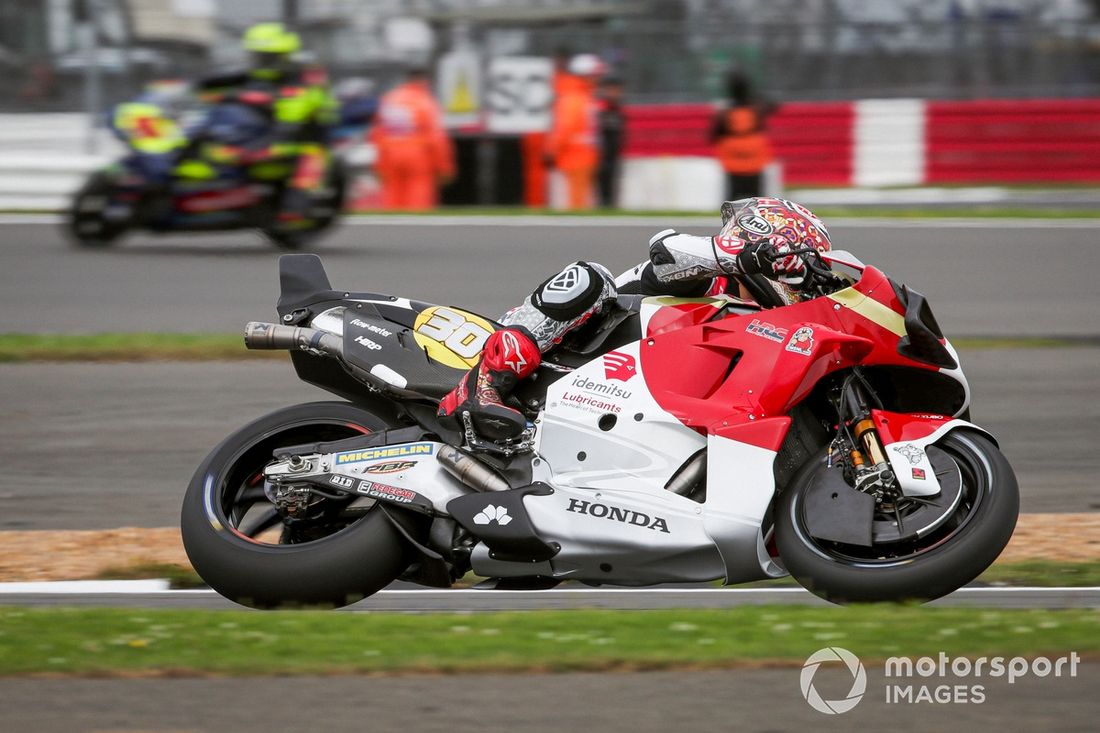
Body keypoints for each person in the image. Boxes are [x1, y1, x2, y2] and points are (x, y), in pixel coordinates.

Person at [438, 197, 832, 440]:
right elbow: (664, 248)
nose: (798, 272)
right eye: (794, 259)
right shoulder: (709, 279)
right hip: (571, 352)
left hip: (627, 408)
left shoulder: (772, 326)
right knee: (590, 276)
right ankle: (485, 381)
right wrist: (746, 254)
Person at [193, 22, 338, 224]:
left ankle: (298, 203)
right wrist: (205, 86)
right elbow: (214, 83)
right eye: (256, 56)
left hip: (305, 134)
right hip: (265, 125)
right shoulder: (256, 73)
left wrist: (251, 97)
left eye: (266, 57)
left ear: (284, 55)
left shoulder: (308, 76)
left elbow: (293, 110)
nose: (260, 62)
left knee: (310, 154)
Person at [371, 67, 456, 210]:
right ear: (424, 81)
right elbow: (437, 138)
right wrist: (445, 167)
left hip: (391, 153)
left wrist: (380, 164)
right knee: (419, 196)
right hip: (419, 154)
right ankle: (416, 230)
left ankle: (390, 229)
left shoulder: (390, 99)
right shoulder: (425, 102)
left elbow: (377, 134)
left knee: (392, 196)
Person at [546, 54, 605, 210]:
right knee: (577, 202)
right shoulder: (575, 97)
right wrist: (552, 150)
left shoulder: (582, 96)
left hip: (580, 155)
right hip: (576, 156)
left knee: (580, 200)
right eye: (594, 75)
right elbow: (565, 127)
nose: (597, 79)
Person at [711, 69, 774, 201]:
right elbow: (774, 106)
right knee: (756, 199)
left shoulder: (725, 113)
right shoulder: (756, 109)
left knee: (734, 198)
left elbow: (713, 136)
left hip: (732, 162)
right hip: (755, 160)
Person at [596, 74, 626, 208]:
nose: (616, 93)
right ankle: (604, 205)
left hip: (614, 152)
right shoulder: (601, 108)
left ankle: (609, 205)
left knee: (613, 182)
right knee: (603, 183)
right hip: (601, 154)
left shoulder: (617, 108)